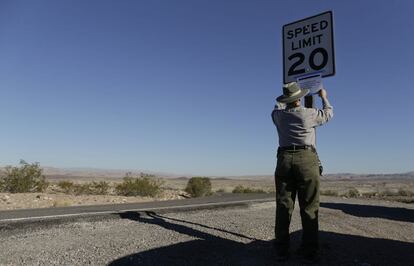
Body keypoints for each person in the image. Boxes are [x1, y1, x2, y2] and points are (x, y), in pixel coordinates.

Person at [271, 82, 333, 263]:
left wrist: (283, 99)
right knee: (309, 207)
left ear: (286, 100)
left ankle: (281, 250)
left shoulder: (277, 116)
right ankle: (309, 250)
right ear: (298, 99)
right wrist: (323, 96)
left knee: (283, 206)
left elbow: (277, 107)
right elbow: (329, 113)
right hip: (306, 159)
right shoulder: (309, 114)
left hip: (283, 160)